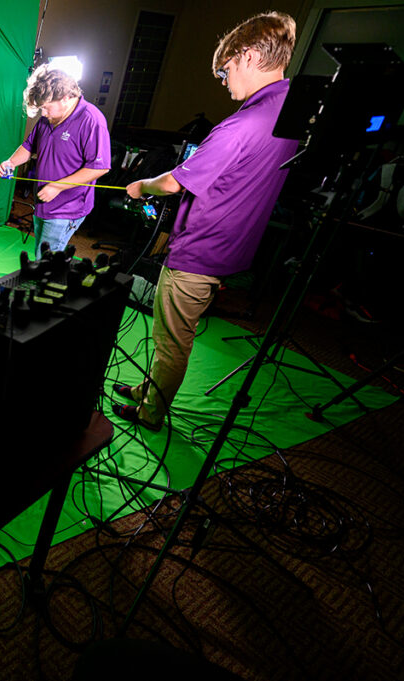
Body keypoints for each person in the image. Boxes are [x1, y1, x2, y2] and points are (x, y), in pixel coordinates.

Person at [113, 12, 300, 431]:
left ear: (250, 56)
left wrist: (141, 185)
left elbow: (176, 183)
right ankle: (149, 390)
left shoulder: (239, 126)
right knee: (171, 337)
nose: (223, 79)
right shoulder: (289, 111)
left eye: (225, 68)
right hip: (230, 247)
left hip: (199, 252)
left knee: (171, 340)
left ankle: (150, 412)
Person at [0, 63, 111, 256]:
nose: (43, 113)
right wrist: (11, 162)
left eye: (46, 108)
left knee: (46, 261)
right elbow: (28, 147)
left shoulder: (92, 120)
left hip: (66, 208)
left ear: (66, 98)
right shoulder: (48, 118)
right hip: (44, 201)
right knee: (40, 256)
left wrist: (57, 186)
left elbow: (99, 168)